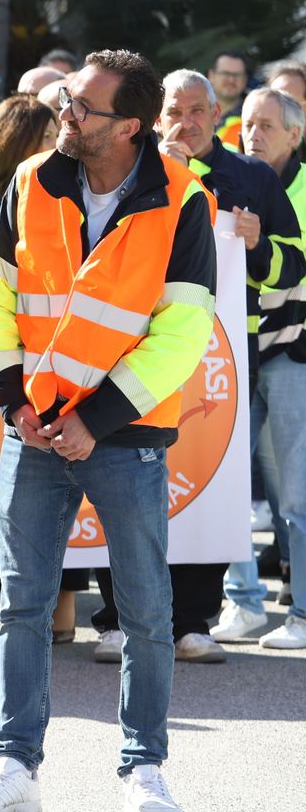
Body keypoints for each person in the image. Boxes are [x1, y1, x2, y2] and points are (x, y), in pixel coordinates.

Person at [0, 48, 215, 812]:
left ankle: (145, 769)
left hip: (126, 432)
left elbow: (184, 330)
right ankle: (15, 765)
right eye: (68, 99)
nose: (66, 112)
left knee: (145, 612)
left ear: (131, 125)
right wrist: (12, 400)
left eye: (84, 107)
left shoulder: (182, 199)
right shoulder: (32, 178)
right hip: (33, 428)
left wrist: (93, 418)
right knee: (23, 605)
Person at [91, 69, 302, 665]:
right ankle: (116, 618)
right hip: (129, 354)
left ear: (216, 114)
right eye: (173, 112)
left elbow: (294, 266)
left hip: (220, 360)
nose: (184, 122)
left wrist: (259, 245)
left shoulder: (253, 177)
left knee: (209, 478)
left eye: (196, 111)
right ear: (155, 121)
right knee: (123, 480)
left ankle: (194, 620)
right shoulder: (122, 172)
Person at [0, 96, 90, 641]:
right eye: (41, 141)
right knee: (21, 521)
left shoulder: (91, 193)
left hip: (79, 394)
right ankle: (16, 605)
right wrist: (11, 396)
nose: (57, 148)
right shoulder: (7, 194)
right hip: (17, 386)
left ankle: (65, 600)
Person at [220, 87, 306, 650]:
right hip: (238, 349)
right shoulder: (232, 176)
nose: (254, 133)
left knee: (295, 494)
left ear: (296, 134)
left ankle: (302, 612)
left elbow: (296, 269)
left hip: (292, 350)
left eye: (268, 125)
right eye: (248, 123)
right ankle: (244, 604)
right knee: (226, 485)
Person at [208, 51, 249, 150]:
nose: (231, 80)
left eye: (237, 75)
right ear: (211, 76)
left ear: (244, 80)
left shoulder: (253, 117)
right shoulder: (194, 112)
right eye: (225, 73)